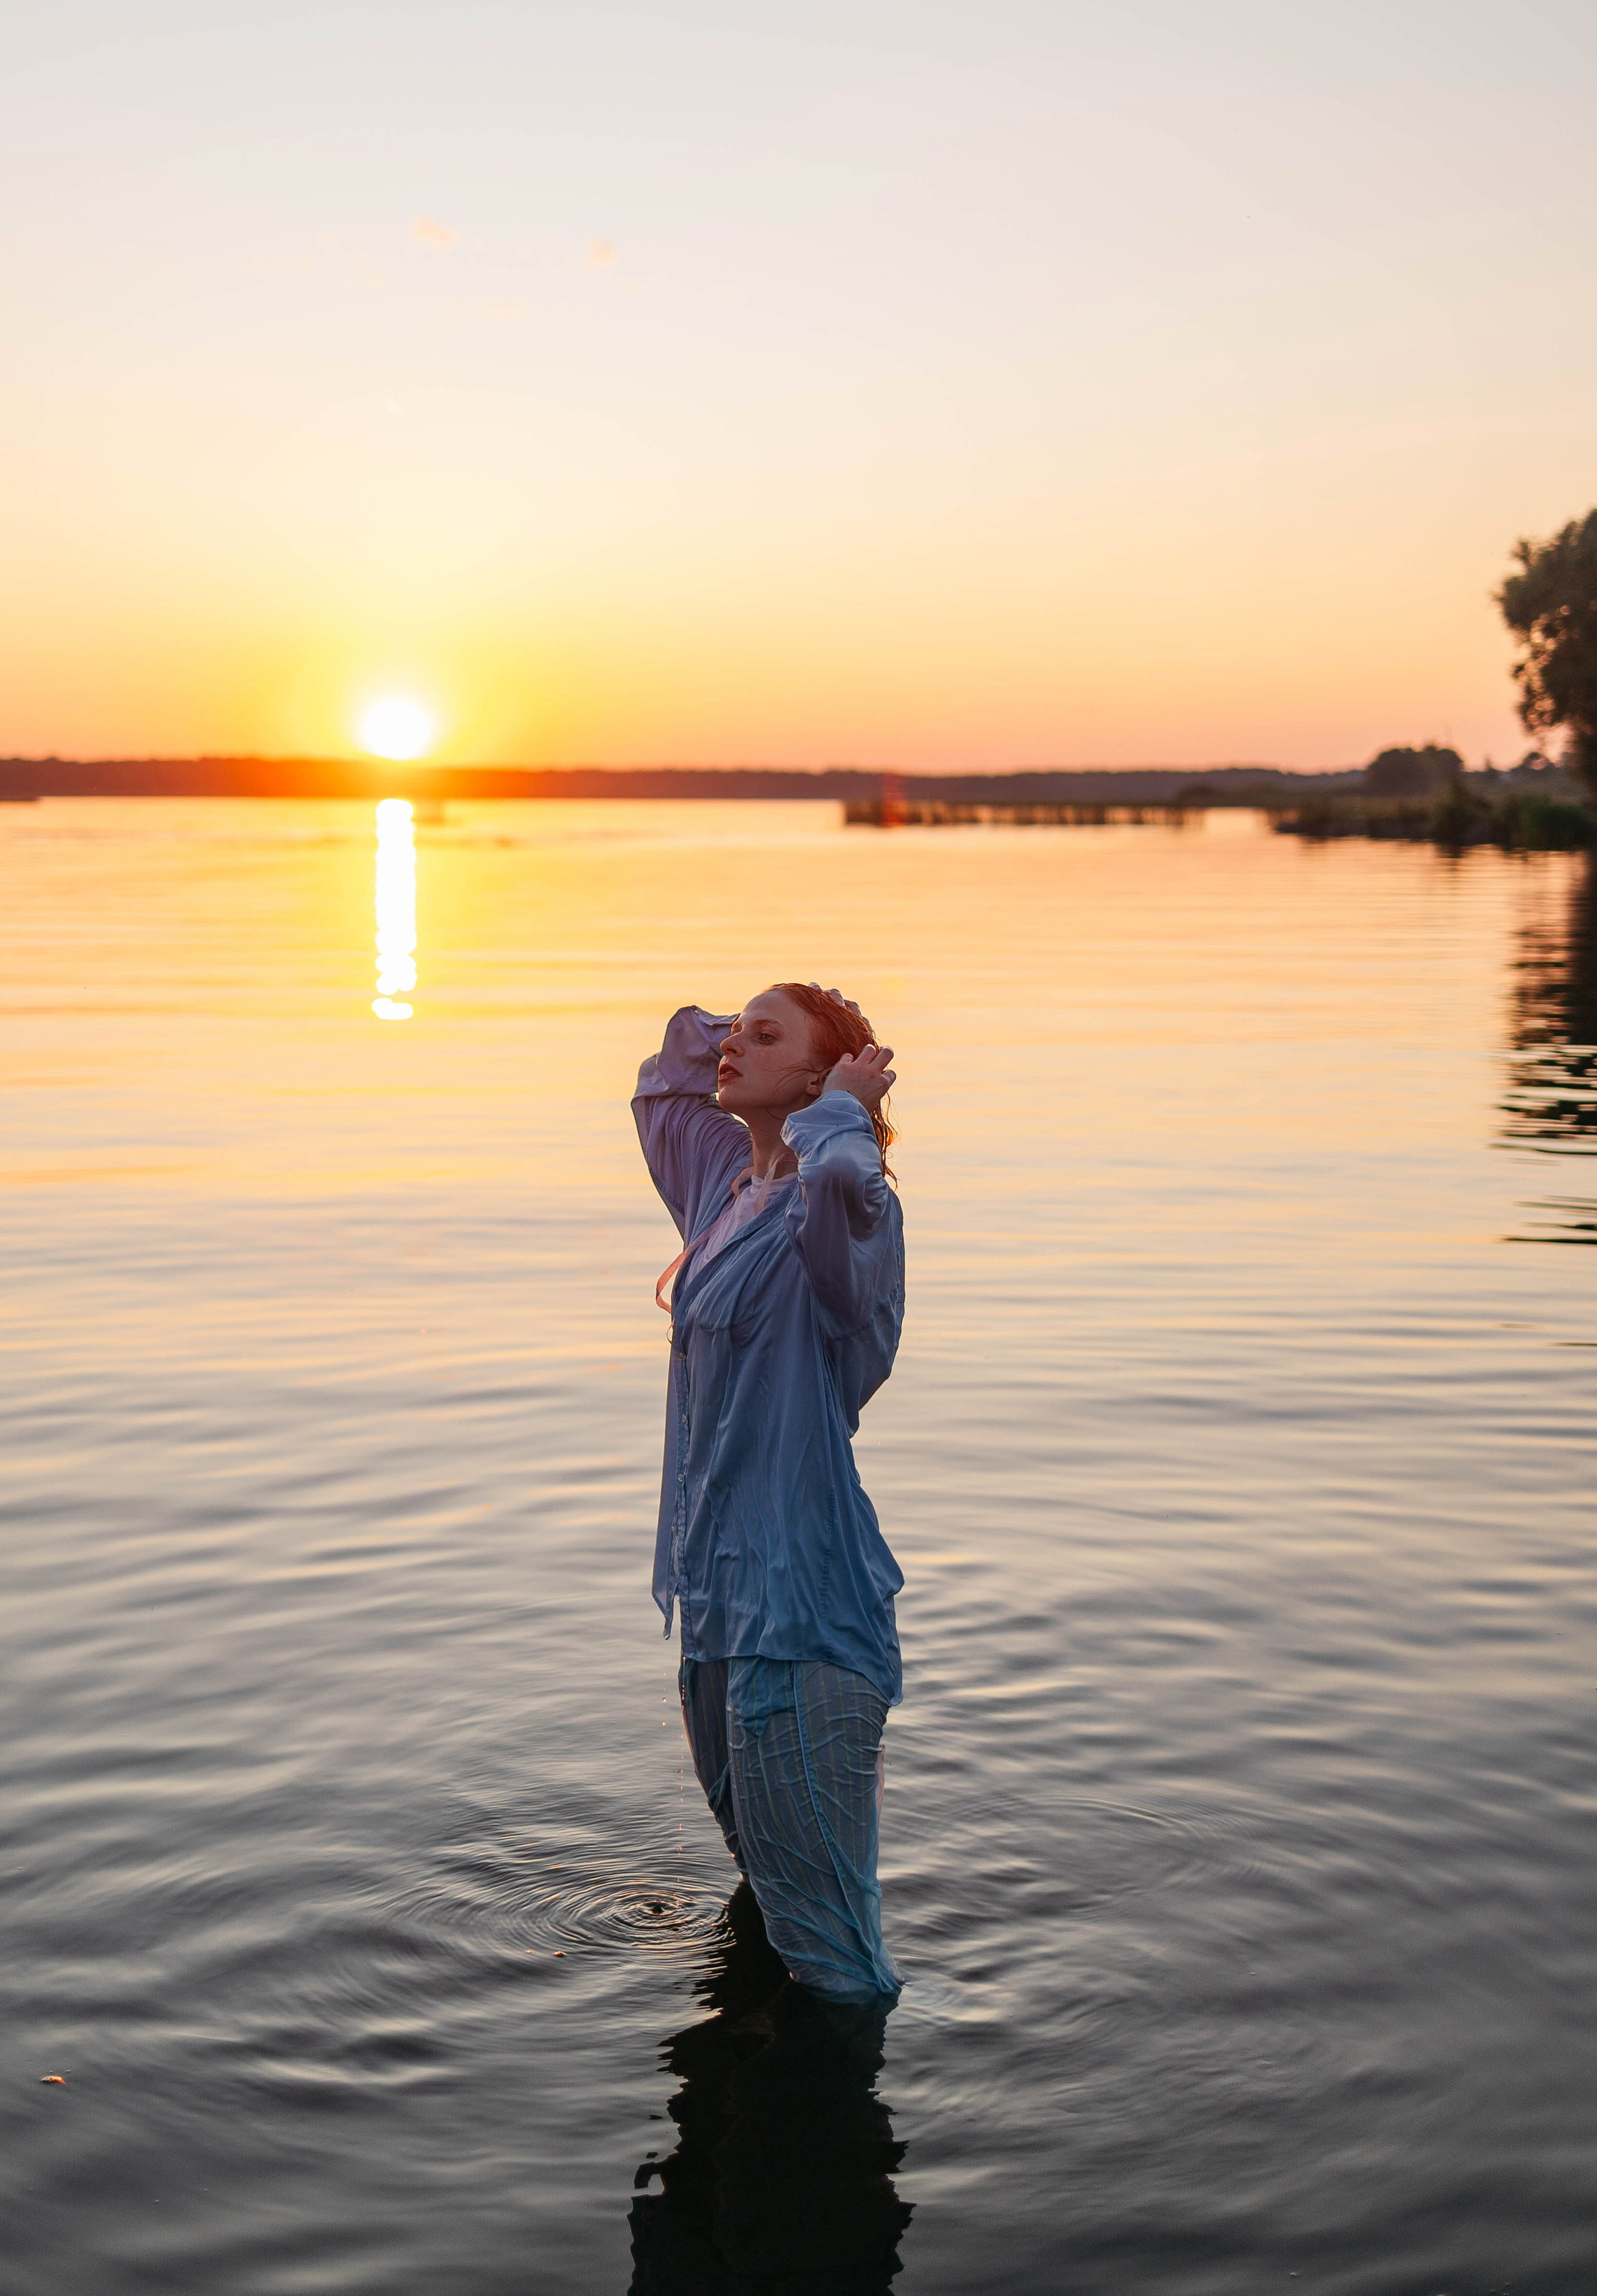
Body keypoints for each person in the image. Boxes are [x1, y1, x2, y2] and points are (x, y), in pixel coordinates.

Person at [633, 982, 905, 2002]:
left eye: (764, 1034)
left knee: (833, 1957)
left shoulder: (851, 1211)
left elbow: (841, 1176)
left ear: (820, 1074)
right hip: (719, 1608)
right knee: (774, 1905)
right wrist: (743, 1036)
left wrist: (839, 1099)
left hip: (803, 1610)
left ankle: (836, 2137)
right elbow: (665, 1087)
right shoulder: (722, 1191)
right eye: (735, 1032)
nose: (732, 1047)